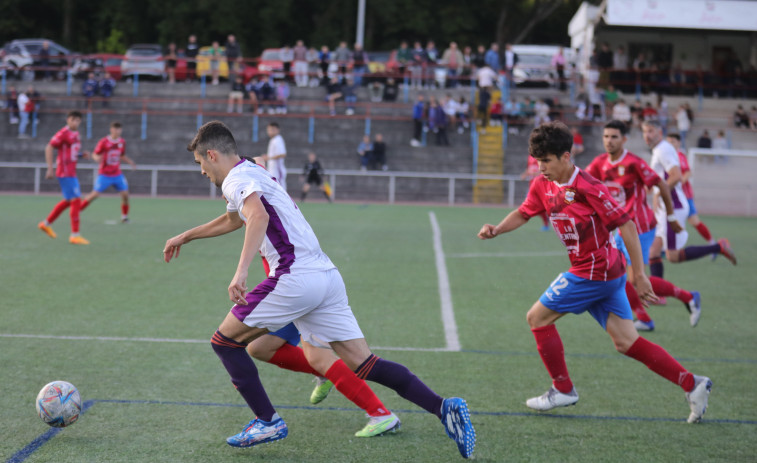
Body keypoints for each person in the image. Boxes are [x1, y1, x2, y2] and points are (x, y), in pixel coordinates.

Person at [162, 121, 476, 458]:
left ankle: (267, 421)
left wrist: (240, 272)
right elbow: (234, 218)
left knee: (225, 343)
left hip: (294, 276)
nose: (202, 172)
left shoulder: (237, 179)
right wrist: (186, 235)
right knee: (364, 362)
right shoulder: (252, 169)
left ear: (211, 154)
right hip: (326, 276)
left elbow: (256, 218)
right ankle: (444, 407)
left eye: (200, 164)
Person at [477, 120, 712, 424]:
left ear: (566, 156)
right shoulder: (542, 184)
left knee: (537, 318)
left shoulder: (590, 187)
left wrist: (639, 275)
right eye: (537, 162)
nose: (541, 167)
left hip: (595, 270)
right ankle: (692, 384)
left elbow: (626, 224)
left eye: (546, 161)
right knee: (627, 342)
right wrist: (497, 229)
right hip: (603, 273)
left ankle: (562, 388)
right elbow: (525, 212)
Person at [586, 120, 700, 331]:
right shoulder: (599, 163)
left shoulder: (634, 163)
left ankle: (687, 298)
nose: (609, 141)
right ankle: (646, 318)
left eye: (614, 137)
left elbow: (663, 184)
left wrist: (672, 217)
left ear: (624, 139)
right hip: (617, 229)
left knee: (635, 279)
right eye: (606, 137)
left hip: (640, 227)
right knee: (622, 279)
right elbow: (580, 183)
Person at [642, 120, 737, 282]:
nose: (647, 135)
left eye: (651, 131)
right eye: (644, 131)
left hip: (672, 207)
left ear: (660, 131)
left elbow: (677, 176)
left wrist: (658, 194)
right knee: (653, 252)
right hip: (666, 207)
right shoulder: (659, 149)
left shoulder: (663, 149)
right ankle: (659, 294)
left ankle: (718, 247)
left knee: (673, 256)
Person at [37, 110, 90, 245]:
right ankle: (75, 235)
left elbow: (70, 151)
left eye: (78, 120)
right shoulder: (63, 133)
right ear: (68, 120)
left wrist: (80, 155)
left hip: (71, 171)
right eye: (73, 119)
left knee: (68, 201)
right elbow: (49, 147)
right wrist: (50, 168)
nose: (75, 122)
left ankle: (45, 223)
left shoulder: (75, 134)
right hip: (65, 172)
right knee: (76, 201)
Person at [667, 133, 717, 255]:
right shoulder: (667, 156)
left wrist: (676, 184)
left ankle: (713, 245)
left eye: (673, 141)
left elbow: (688, 173)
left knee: (694, 221)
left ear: (679, 143)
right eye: (668, 142)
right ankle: (664, 249)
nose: (670, 144)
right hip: (672, 196)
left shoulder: (679, 156)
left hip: (684, 196)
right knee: (665, 221)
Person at [79, 121, 136, 223]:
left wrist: (130, 162)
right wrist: (96, 158)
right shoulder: (104, 142)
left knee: (125, 195)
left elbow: (122, 155)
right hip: (104, 174)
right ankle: (77, 211)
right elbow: (95, 154)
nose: (118, 131)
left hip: (117, 174)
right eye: (116, 129)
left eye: (119, 129)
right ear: (111, 129)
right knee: (94, 195)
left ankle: (124, 217)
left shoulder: (122, 142)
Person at [519, 155, 549, 232]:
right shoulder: (530, 157)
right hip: (532, 186)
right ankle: (547, 221)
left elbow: (544, 169)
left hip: (540, 185)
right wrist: (525, 175)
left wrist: (536, 173)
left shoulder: (541, 156)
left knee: (537, 206)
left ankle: (547, 222)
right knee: (534, 206)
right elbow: (530, 168)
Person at [260, 122, 287, 191]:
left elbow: (283, 154)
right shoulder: (273, 140)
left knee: (281, 191)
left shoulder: (278, 140)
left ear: (278, 130)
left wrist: (268, 158)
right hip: (273, 171)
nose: (270, 132)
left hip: (277, 171)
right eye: (269, 130)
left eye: (272, 130)